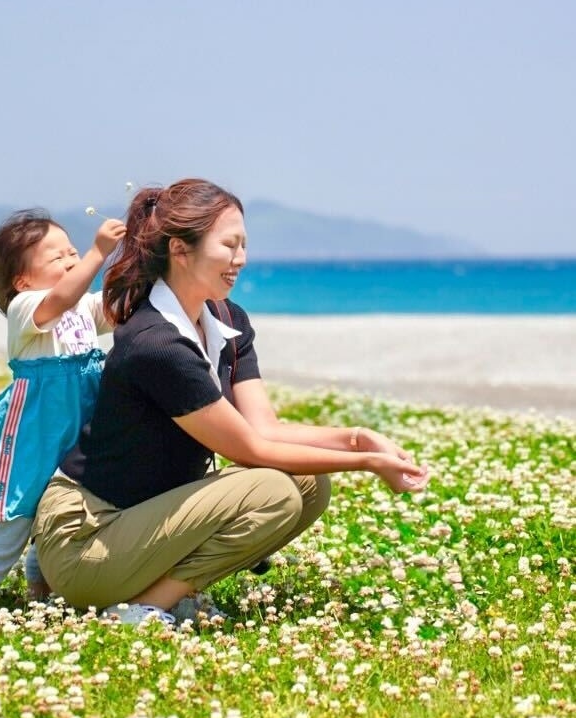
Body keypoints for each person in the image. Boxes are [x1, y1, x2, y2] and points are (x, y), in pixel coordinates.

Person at [30, 179, 430, 626]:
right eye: (229, 245)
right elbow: (249, 451)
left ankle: (159, 592)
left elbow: (266, 430)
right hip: (88, 540)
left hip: (142, 524)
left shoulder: (227, 318)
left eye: (244, 245)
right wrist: (370, 464)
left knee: (308, 485)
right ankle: (144, 609)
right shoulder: (157, 344)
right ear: (181, 250)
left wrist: (357, 440)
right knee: (275, 490)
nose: (240, 259)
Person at [0, 208, 126, 607]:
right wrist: (98, 254)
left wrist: (140, 259)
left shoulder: (82, 307)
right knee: (15, 521)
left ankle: (40, 584)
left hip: (79, 429)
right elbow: (61, 298)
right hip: (33, 433)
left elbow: (119, 307)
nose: (72, 261)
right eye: (58, 257)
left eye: (73, 252)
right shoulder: (27, 306)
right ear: (23, 280)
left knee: (57, 512)